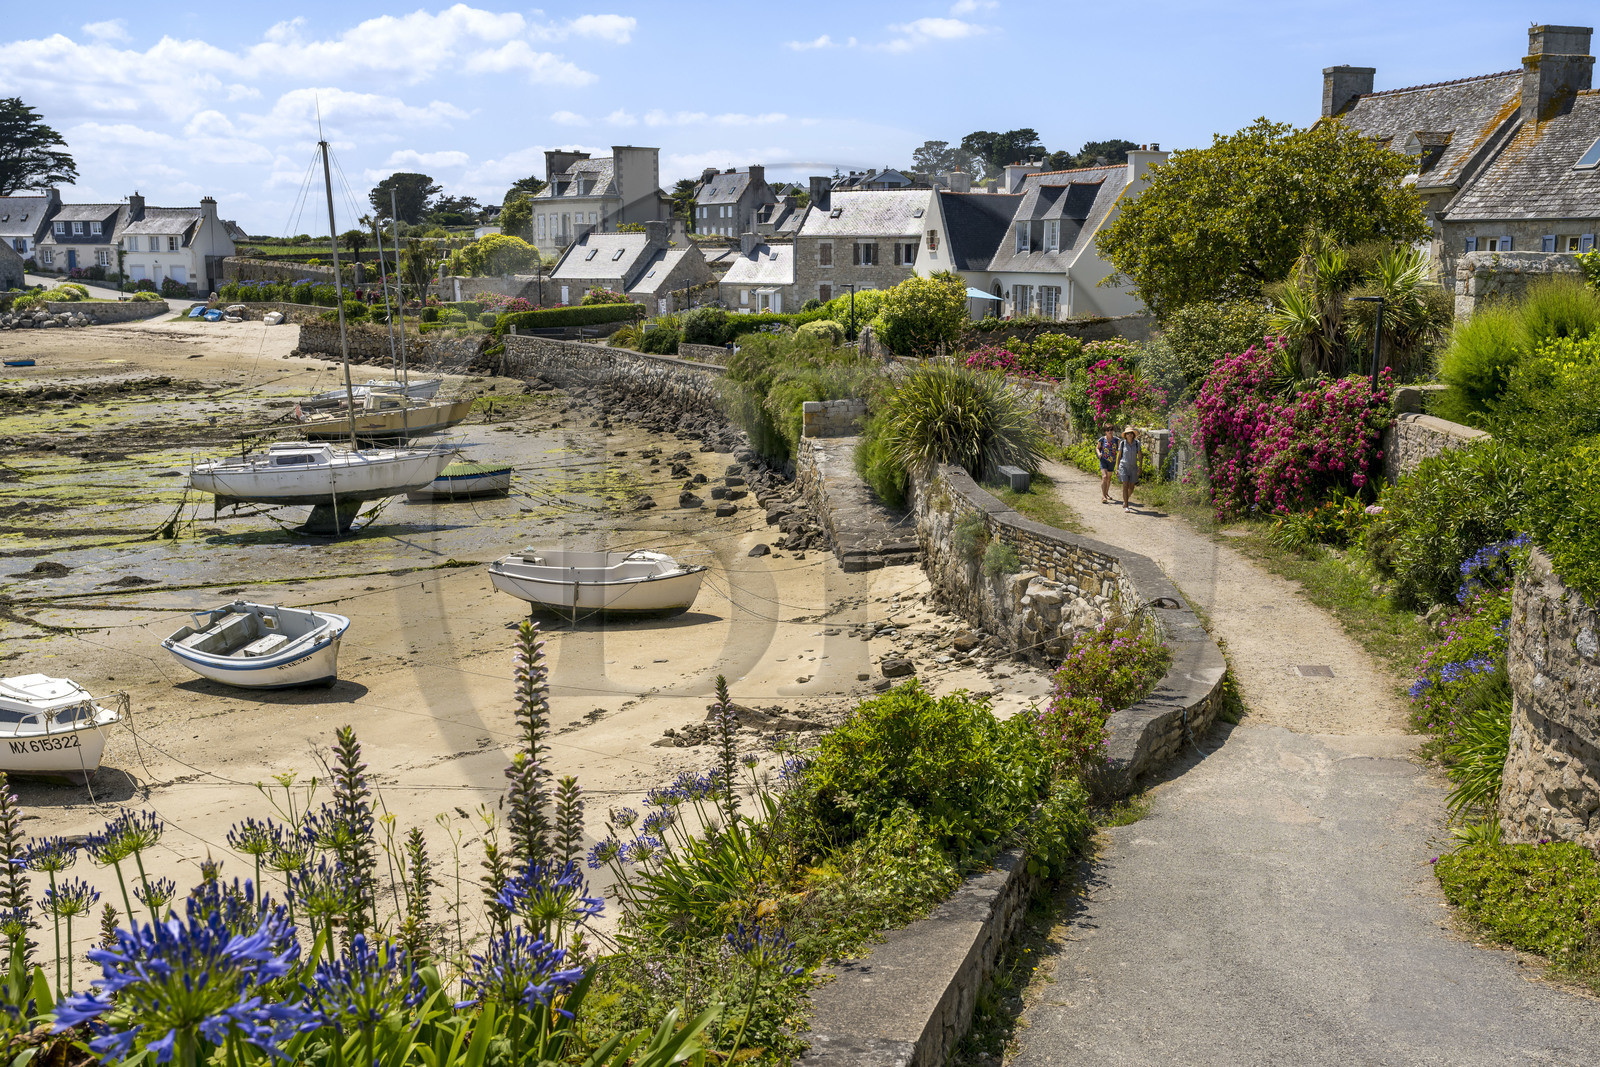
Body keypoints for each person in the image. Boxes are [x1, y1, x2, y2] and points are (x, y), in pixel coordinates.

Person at [1117, 426, 1142, 511]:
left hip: (1133, 467)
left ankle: (1125, 499)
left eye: (1131, 433)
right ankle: (1126, 506)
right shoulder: (1122, 443)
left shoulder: (1137, 443)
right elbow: (1119, 455)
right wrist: (1117, 468)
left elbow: (1140, 455)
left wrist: (1140, 467)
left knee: (1131, 487)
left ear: (1133, 435)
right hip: (1123, 466)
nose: (1129, 435)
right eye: (1128, 433)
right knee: (1125, 485)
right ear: (1125, 435)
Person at [1096, 426, 1120, 503]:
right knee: (1104, 477)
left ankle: (1106, 493)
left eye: (1111, 430)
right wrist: (1099, 453)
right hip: (1103, 460)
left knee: (1109, 478)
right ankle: (1103, 496)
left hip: (1112, 461)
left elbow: (1119, 450)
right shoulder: (1102, 439)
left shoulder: (1116, 440)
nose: (1110, 431)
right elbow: (1097, 447)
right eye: (1108, 430)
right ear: (1105, 431)